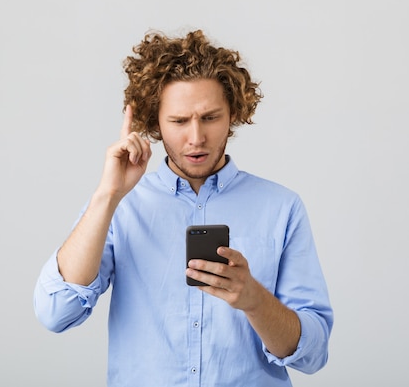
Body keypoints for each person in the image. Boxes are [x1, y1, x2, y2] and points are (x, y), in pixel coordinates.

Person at [34, 29, 333, 386]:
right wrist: (107, 195)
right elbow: (56, 312)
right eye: (178, 121)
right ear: (154, 121)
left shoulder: (282, 208)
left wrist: (254, 300)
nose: (196, 138)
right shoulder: (121, 206)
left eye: (210, 117)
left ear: (233, 114)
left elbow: (313, 354)